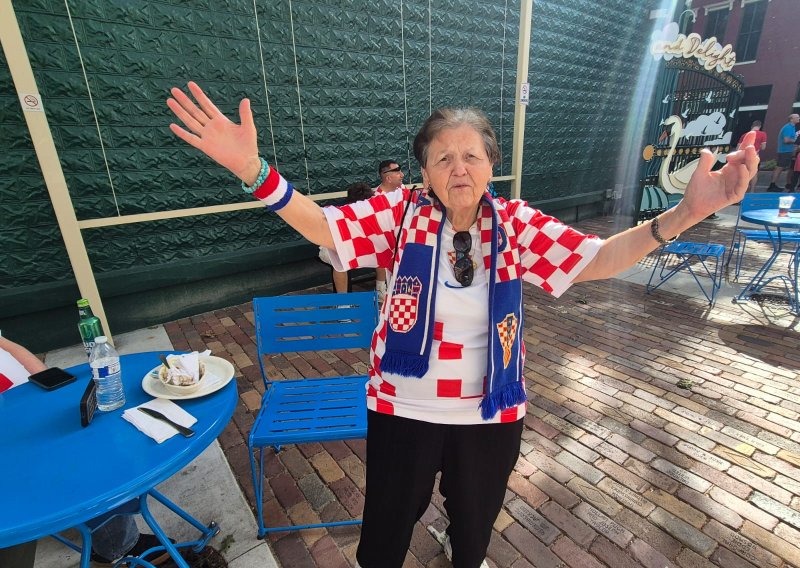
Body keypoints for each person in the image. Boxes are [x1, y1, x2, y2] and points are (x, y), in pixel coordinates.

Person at [166, 81, 757, 568]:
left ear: (490, 164)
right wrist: (253, 170)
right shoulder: (398, 215)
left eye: (470, 154)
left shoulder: (516, 225)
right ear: (423, 170)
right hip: (403, 409)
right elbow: (325, 228)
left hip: (491, 414)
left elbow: (597, 259)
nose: (458, 168)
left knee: (473, 532)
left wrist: (685, 213)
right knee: (384, 538)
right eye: (442, 157)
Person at [0, 335, 172, 568]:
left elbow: (7, 346)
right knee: (83, 465)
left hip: (33, 409)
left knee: (104, 428)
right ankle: (117, 547)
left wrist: (48, 382)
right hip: (14, 439)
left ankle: (109, 519)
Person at [320, 182, 374, 293]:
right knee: (340, 260)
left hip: (350, 243)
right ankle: (343, 301)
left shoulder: (363, 210)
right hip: (330, 246)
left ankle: (381, 287)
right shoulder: (339, 212)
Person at [373, 160, 406, 301]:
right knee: (383, 246)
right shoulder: (377, 197)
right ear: (387, 177)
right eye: (397, 171)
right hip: (385, 236)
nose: (402, 174)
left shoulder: (401, 189)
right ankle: (381, 288)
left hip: (403, 232)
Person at [767, 113, 799, 192]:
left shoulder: (793, 127)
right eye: (797, 117)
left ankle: (788, 184)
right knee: (779, 168)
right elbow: (786, 140)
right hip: (785, 151)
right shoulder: (788, 127)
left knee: (791, 168)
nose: (799, 118)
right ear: (791, 119)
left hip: (789, 151)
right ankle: (772, 185)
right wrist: (797, 141)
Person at [736, 120, 767, 192]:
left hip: (744, 156)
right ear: (760, 126)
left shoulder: (744, 135)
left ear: (752, 126)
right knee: (754, 173)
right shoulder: (763, 134)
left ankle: (743, 190)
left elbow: (738, 148)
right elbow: (763, 147)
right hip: (754, 156)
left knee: (744, 174)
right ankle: (752, 191)